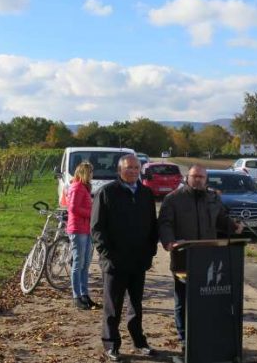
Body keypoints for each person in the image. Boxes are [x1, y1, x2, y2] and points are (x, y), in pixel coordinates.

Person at [158, 164, 243, 348]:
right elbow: (165, 224)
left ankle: (203, 333)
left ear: (206, 179)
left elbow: (220, 220)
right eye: (194, 176)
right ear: (187, 178)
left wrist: (233, 226)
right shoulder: (173, 199)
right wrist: (169, 242)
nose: (198, 180)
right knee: (183, 300)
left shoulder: (212, 198)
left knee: (205, 298)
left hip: (208, 258)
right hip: (184, 259)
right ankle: (184, 338)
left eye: (201, 177)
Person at [91, 154, 158, 362]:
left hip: (138, 261)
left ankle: (139, 342)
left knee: (136, 305)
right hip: (115, 262)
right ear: (120, 170)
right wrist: (108, 254)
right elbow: (97, 229)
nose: (133, 171)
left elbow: (152, 225)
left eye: (136, 168)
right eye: (129, 168)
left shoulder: (146, 193)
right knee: (113, 306)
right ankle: (111, 345)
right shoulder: (107, 192)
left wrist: (150, 251)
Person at [67, 161, 99, 310]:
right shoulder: (77, 187)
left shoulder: (84, 188)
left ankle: (84, 294)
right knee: (78, 263)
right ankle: (76, 296)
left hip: (85, 229)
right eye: (91, 172)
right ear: (85, 172)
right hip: (78, 229)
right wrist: (91, 214)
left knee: (85, 264)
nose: (92, 175)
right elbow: (73, 208)